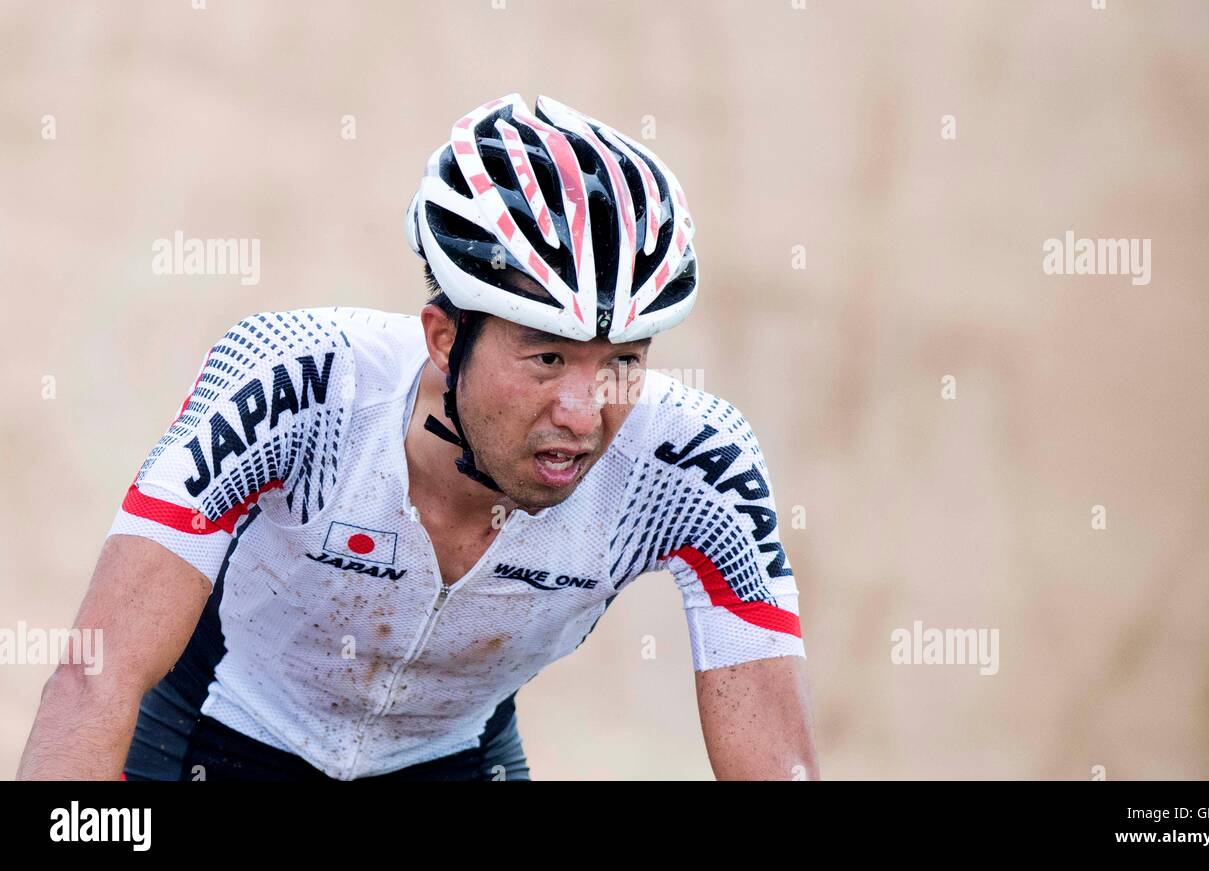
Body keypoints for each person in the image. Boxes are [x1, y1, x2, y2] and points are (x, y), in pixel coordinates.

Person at [18, 94, 817, 781]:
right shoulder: (299, 383)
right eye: (546, 357)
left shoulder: (692, 463)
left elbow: (777, 763)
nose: (584, 410)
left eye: (622, 360)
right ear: (444, 338)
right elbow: (97, 677)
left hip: (450, 754)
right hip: (218, 728)